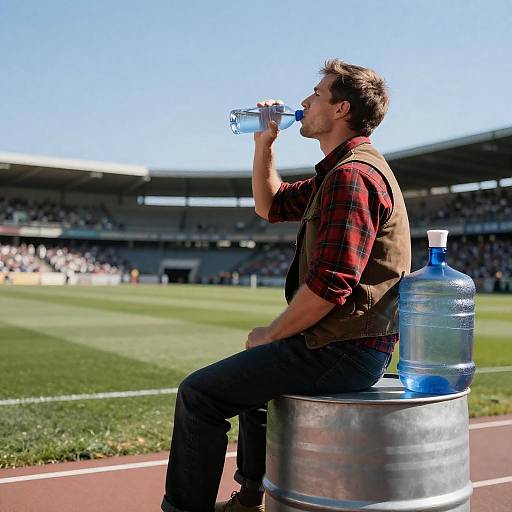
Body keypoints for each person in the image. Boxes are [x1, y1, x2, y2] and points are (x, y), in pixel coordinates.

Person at [161, 59, 411, 512]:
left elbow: (332, 285)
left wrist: (272, 334)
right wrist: (264, 143)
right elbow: (269, 204)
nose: (303, 101)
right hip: (347, 343)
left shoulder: (353, 176)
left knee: (199, 394)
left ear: (341, 109)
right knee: (252, 378)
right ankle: (251, 498)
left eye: (316, 93)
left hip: (346, 349)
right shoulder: (337, 172)